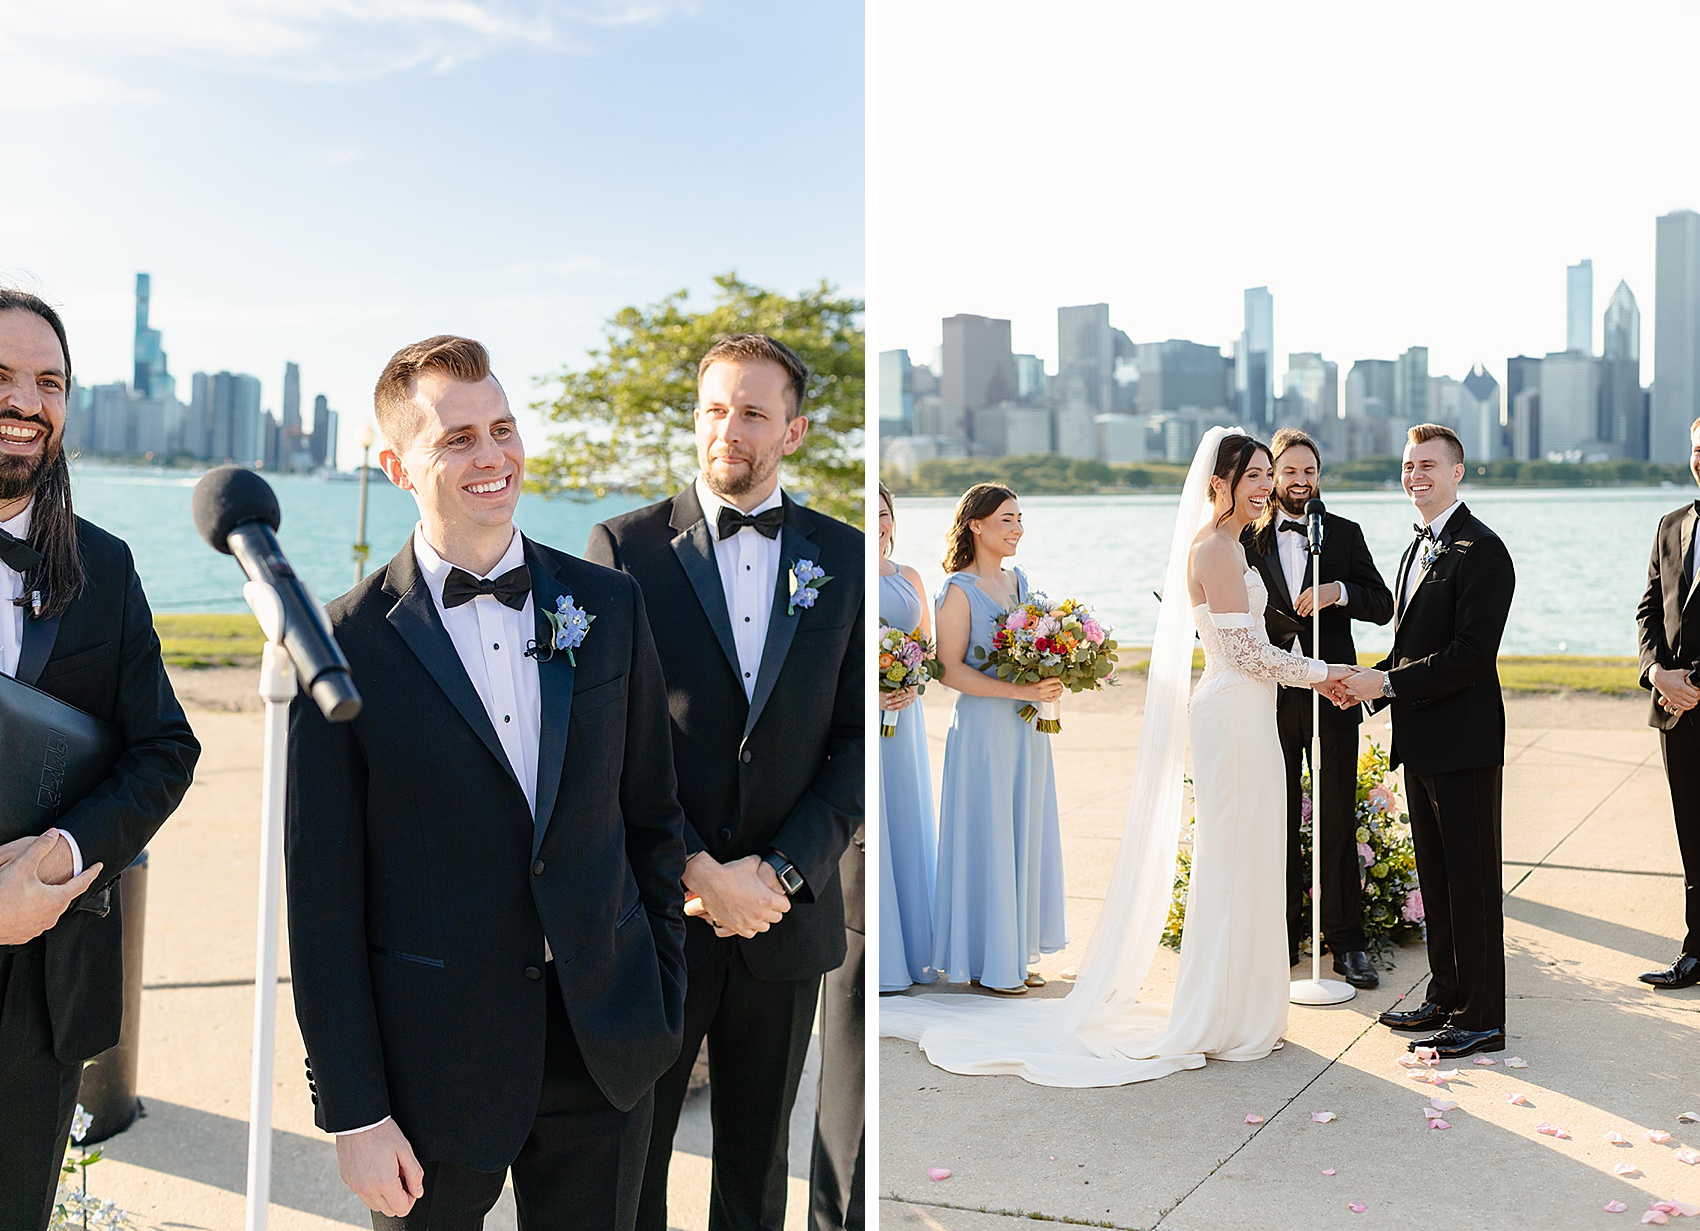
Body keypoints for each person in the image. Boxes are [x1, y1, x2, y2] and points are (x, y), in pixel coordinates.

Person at [285, 335, 688, 1231]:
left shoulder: (610, 604)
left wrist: (659, 990)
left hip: (606, 1043)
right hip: (430, 1071)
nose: (492, 455)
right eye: (457, 438)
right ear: (397, 465)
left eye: (501, 428)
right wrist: (353, 1106)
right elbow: (321, 904)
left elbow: (653, 814)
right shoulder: (341, 643)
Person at [881, 427, 1353, 1087]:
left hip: (1251, 712)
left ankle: (1246, 1007)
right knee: (1233, 858)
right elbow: (1246, 654)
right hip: (1234, 709)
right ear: (1217, 482)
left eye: (1267, 476)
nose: (1264, 487)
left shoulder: (1236, 545)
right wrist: (1328, 671)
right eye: (1252, 476)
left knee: (1253, 855)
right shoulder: (1214, 550)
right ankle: (1221, 1012)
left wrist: (1315, 671)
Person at [586, 333, 863, 1231]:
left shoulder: (845, 555)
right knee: (635, 1160)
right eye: (714, 408)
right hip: (661, 917)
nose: (728, 429)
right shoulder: (623, 548)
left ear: (795, 429)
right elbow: (603, 746)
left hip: (786, 923)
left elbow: (859, 745)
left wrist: (778, 874)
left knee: (756, 1166)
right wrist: (697, 871)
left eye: (752, 411)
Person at [0, 290, 200, 1229]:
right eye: (1, 376)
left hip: (42, 1001)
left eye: (48, 381)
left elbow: (165, 747)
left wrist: (63, 857)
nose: (27, 399)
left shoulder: (105, 566)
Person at [1335, 423, 1516, 1059]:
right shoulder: (1419, 547)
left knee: (1471, 882)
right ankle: (1445, 994)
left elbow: (1469, 657)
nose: (1416, 475)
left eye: (1429, 465)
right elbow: (1412, 648)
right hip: (1423, 738)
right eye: (1409, 466)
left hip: (1464, 742)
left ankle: (1483, 1015)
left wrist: (1384, 680)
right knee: (1436, 880)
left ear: (1458, 472)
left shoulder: (1482, 549)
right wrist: (1370, 685)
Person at [1243, 427, 1393, 987]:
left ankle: (1346, 943)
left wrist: (1339, 592)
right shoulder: (1245, 540)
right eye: (1291, 472)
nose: (1301, 481)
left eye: (1310, 472)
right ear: (1273, 475)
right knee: (1275, 813)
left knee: (1335, 813)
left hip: (1335, 694)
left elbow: (1383, 605)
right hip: (1270, 694)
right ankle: (1280, 937)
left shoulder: (1345, 534)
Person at [929, 484, 1067, 994]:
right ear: (976, 525)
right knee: (989, 834)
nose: (1017, 529)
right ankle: (990, 961)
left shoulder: (1020, 581)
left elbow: (1039, 647)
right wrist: (1019, 687)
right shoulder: (958, 590)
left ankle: (1016, 950)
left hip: (1027, 726)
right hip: (984, 731)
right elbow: (947, 670)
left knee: (1024, 831)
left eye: (1020, 519)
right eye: (1007, 519)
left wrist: (1054, 677)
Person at [1632, 415, 1700, 991]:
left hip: (1693, 694)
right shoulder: (1670, 524)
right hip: (1674, 712)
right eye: (1698, 450)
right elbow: (1648, 610)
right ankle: (1696, 950)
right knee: (1692, 832)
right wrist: (1657, 672)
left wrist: (1692, 680)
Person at [877, 483, 937, 992]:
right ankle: (882, 958)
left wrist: (910, 681)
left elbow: (928, 649)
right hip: (868, 718)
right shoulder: (847, 576)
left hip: (906, 719)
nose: (879, 523)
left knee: (908, 820)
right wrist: (870, 692)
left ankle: (916, 952)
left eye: (886, 514)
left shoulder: (910, 577)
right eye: (870, 513)